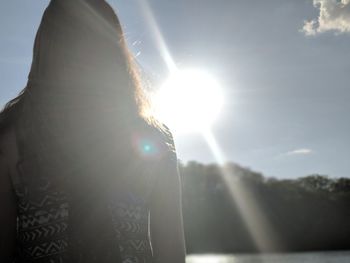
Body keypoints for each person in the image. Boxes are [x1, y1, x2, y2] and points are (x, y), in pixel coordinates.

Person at [0, 0, 186, 262]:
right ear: (113, 49)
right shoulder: (154, 139)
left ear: (46, 46)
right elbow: (172, 255)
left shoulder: (12, 138)